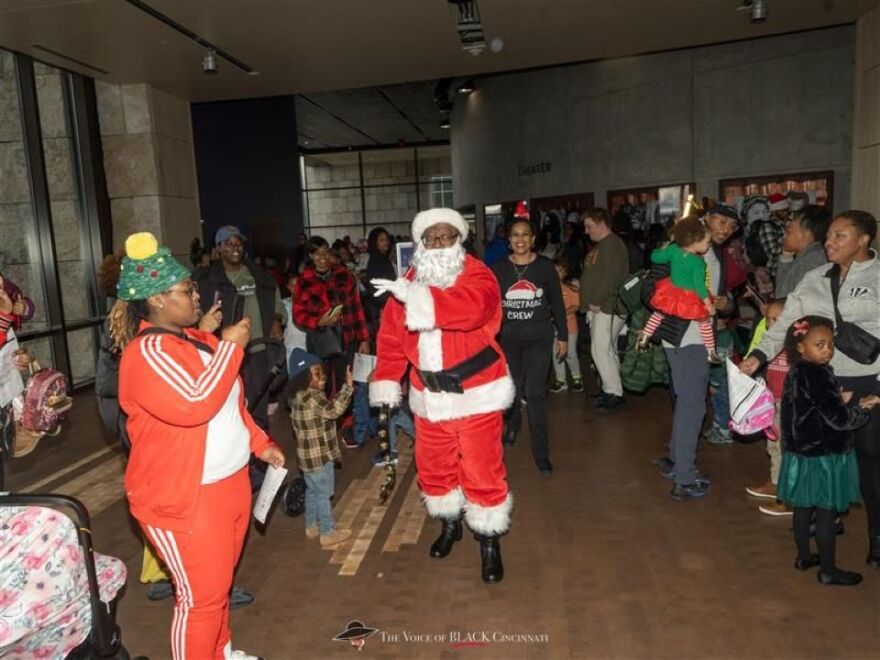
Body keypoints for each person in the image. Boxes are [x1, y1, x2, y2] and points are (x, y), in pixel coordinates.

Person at [117, 232, 285, 660]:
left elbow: (232, 402)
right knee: (199, 600)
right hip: (185, 498)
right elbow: (195, 403)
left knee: (216, 591)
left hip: (226, 484)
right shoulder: (147, 352)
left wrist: (259, 443)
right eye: (187, 290)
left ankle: (221, 652)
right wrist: (230, 348)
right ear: (156, 300)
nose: (197, 295)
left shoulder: (194, 340)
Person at [369, 208, 514, 584]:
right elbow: (390, 340)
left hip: (476, 393)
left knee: (482, 471)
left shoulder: (478, 275)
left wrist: (416, 297)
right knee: (435, 470)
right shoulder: (407, 284)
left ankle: (488, 541)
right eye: (430, 238)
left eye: (445, 236)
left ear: (458, 240)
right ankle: (450, 525)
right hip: (428, 398)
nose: (437, 244)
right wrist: (387, 382)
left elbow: (472, 310)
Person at [741, 210, 880, 568]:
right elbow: (786, 324)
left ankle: (877, 538)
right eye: (829, 235)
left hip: (869, 382)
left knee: (868, 462)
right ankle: (827, 524)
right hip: (824, 383)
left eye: (840, 236)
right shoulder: (815, 277)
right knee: (826, 457)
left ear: (863, 240)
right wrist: (757, 356)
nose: (829, 242)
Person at [776, 315, 878, 586]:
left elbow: (809, 407)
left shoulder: (797, 371)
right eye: (819, 345)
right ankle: (829, 570)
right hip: (823, 455)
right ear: (800, 346)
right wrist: (861, 408)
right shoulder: (819, 374)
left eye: (831, 344)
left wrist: (837, 399)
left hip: (800, 453)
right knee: (825, 512)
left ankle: (804, 557)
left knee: (802, 507)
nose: (828, 350)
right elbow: (840, 420)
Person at [652, 203, 739, 500]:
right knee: (693, 404)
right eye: (720, 221)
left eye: (731, 226)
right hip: (688, 337)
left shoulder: (702, 250)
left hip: (680, 336)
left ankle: (676, 459)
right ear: (706, 219)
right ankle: (685, 478)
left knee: (685, 400)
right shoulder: (695, 248)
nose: (724, 229)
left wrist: (723, 303)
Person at [492, 218, 566, 475]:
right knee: (511, 388)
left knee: (535, 393)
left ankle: (541, 453)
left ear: (533, 238)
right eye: (515, 235)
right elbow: (490, 304)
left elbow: (557, 302)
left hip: (539, 338)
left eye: (525, 234)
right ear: (509, 240)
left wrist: (563, 336)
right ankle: (512, 423)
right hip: (509, 338)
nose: (520, 239)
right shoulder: (498, 268)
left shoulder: (544, 267)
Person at [194, 225, 285, 431]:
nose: (235, 247)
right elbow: (196, 313)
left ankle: (259, 457)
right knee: (229, 406)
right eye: (228, 243)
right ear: (218, 249)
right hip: (224, 354)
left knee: (258, 406)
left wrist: (277, 320)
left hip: (257, 350)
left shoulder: (259, 276)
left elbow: (277, 303)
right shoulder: (207, 280)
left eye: (238, 243)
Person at [293, 237, 370, 448]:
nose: (322, 258)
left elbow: (357, 308)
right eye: (316, 253)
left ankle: (347, 426)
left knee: (347, 383)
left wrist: (364, 339)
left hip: (347, 339)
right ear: (310, 256)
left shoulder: (345, 276)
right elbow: (298, 317)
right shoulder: (303, 281)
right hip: (319, 342)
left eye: (325, 252)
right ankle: (323, 427)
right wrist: (319, 321)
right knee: (320, 384)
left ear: (330, 253)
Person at [288, 348, 354, 547]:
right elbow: (334, 411)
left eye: (322, 372)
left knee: (312, 491)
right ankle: (327, 531)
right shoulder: (313, 397)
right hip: (319, 457)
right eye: (316, 374)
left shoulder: (297, 398)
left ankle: (311, 525)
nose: (322, 377)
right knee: (324, 493)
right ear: (304, 377)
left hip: (306, 459)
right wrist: (347, 388)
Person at [637, 217, 720, 363]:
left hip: (670, 290)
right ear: (695, 242)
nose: (708, 246)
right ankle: (711, 352)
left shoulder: (673, 250)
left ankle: (645, 335)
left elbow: (655, 258)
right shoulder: (698, 262)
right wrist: (708, 304)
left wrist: (660, 249)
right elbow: (700, 287)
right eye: (707, 242)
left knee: (659, 314)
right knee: (704, 322)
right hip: (690, 296)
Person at [743, 298, 792, 516]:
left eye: (776, 319)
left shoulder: (796, 346)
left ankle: (789, 494)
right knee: (773, 444)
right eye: (768, 319)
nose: (771, 324)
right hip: (772, 400)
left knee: (787, 447)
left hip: (790, 403)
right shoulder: (769, 343)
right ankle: (775, 483)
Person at [580, 208, 629, 412]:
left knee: (600, 350)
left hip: (607, 307)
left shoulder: (612, 245)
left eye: (589, 226)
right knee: (607, 350)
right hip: (604, 307)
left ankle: (614, 393)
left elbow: (612, 277)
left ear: (601, 224)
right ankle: (612, 389)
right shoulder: (604, 245)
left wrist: (597, 301)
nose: (586, 231)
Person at [774, 205, 830, 298]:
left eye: (789, 232)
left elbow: (782, 295)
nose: (784, 236)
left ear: (807, 235)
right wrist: (786, 255)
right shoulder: (808, 255)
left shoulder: (812, 261)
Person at [549, 255, 583, 393]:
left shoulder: (571, 287)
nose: (557, 273)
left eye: (560, 270)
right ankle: (560, 380)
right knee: (556, 353)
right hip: (554, 327)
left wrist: (562, 313)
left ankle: (576, 377)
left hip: (570, 326)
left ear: (565, 272)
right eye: (555, 270)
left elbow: (577, 306)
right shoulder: (548, 288)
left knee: (570, 353)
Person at [363, 226, 397, 335]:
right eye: (381, 240)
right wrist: (383, 306)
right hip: (380, 307)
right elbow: (375, 286)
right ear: (375, 243)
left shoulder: (382, 258)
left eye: (386, 239)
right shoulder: (377, 260)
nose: (385, 242)